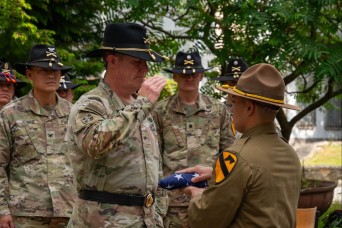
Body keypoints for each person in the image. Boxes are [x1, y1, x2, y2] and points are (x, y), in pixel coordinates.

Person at [66, 22, 168, 227]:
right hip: (103, 220)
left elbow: (150, 167)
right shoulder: (92, 103)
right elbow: (95, 144)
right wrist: (142, 104)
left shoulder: (140, 105)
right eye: (137, 62)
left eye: (146, 63)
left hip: (145, 219)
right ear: (112, 61)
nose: (145, 69)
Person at [179, 63, 302, 227]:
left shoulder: (236, 157)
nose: (231, 109)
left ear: (249, 107)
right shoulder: (290, 154)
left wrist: (196, 194)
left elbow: (205, 220)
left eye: (234, 103)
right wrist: (218, 174)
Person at [153, 51, 235, 227]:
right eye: (183, 74)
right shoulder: (160, 111)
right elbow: (154, 156)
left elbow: (229, 154)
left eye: (193, 74)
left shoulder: (218, 110)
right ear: (174, 76)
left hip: (209, 199)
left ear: (202, 76)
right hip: (171, 204)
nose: (188, 78)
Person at [0, 44, 76, 227]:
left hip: (68, 212)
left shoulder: (74, 114)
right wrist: (2, 210)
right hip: (25, 214)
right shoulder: (10, 114)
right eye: (43, 70)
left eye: (56, 71)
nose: (51, 75)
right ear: (29, 74)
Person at [211, 57, 249, 137]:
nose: (236, 87)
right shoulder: (215, 113)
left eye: (241, 83)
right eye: (233, 82)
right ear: (226, 83)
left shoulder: (256, 112)